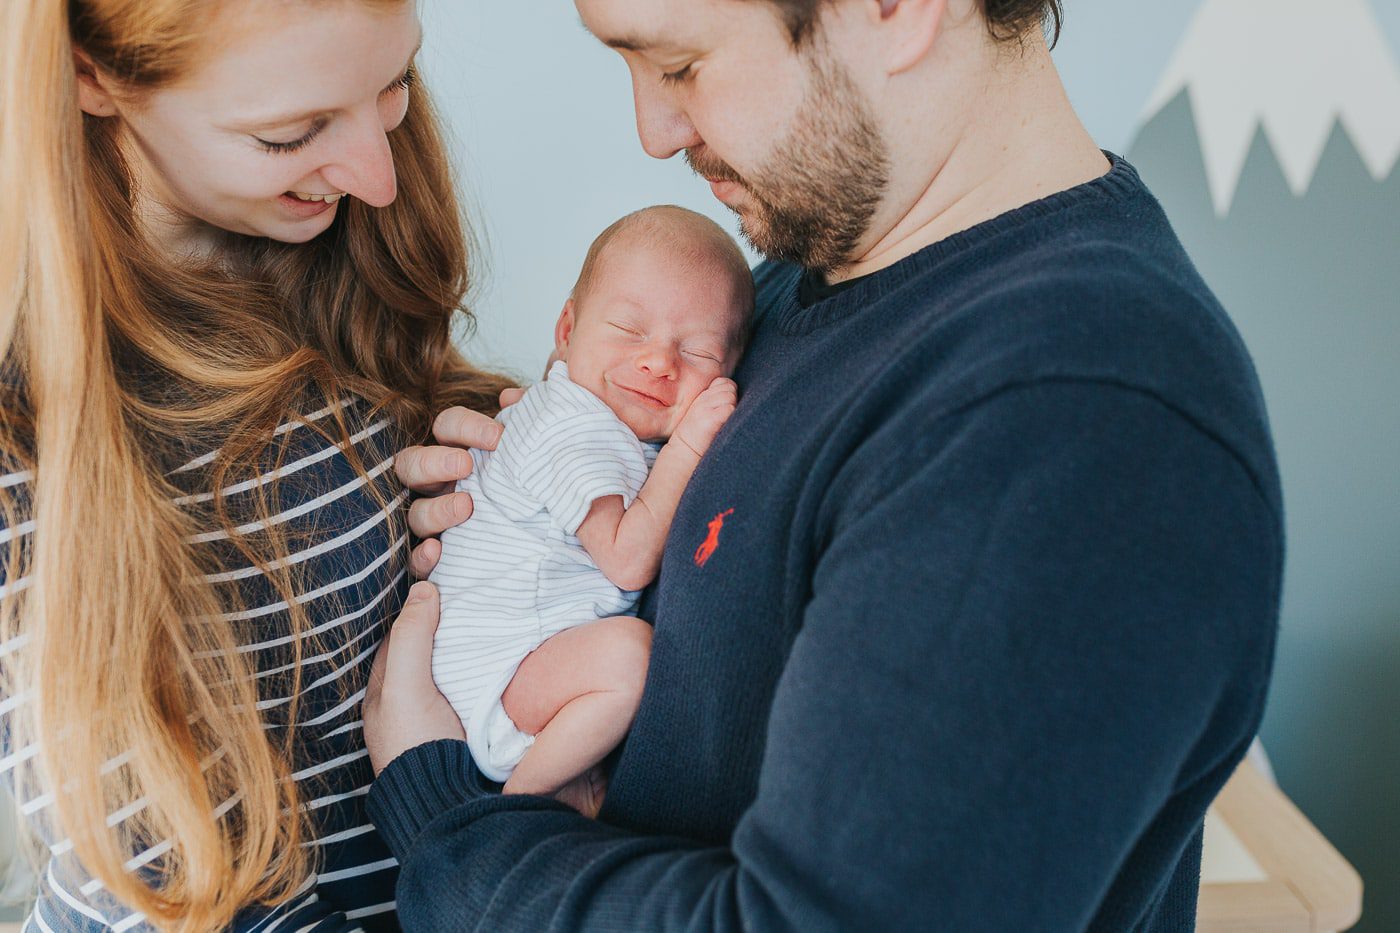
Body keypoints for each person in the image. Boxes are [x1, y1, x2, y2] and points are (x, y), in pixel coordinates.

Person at [368, 0, 1282, 929]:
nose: (654, 131)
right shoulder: (804, 287)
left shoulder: (1076, 419)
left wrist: (451, 821)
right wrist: (530, 488)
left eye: (679, 65)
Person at [0, 0, 514, 929]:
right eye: (290, 135)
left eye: (394, 83)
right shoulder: (28, 439)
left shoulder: (327, 256)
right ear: (90, 77)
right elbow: (176, 892)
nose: (378, 177)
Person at [430, 207, 749, 814]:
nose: (659, 361)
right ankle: (510, 816)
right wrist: (687, 447)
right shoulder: (570, 424)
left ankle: (562, 778)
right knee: (630, 658)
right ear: (567, 329)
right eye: (629, 330)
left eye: (699, 351)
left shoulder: (604, 424)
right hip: (497, 670)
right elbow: (627, 560)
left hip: (531, 663)